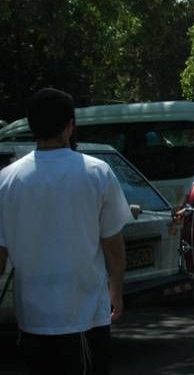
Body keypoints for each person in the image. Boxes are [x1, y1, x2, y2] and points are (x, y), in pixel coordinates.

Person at [0, 88, 133, 375]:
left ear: (31, 127)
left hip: (32, 318)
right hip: (84, 316)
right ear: (70, 125)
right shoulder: (97, 172)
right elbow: (113, 243)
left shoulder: (6, 180)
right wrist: (117, 290)